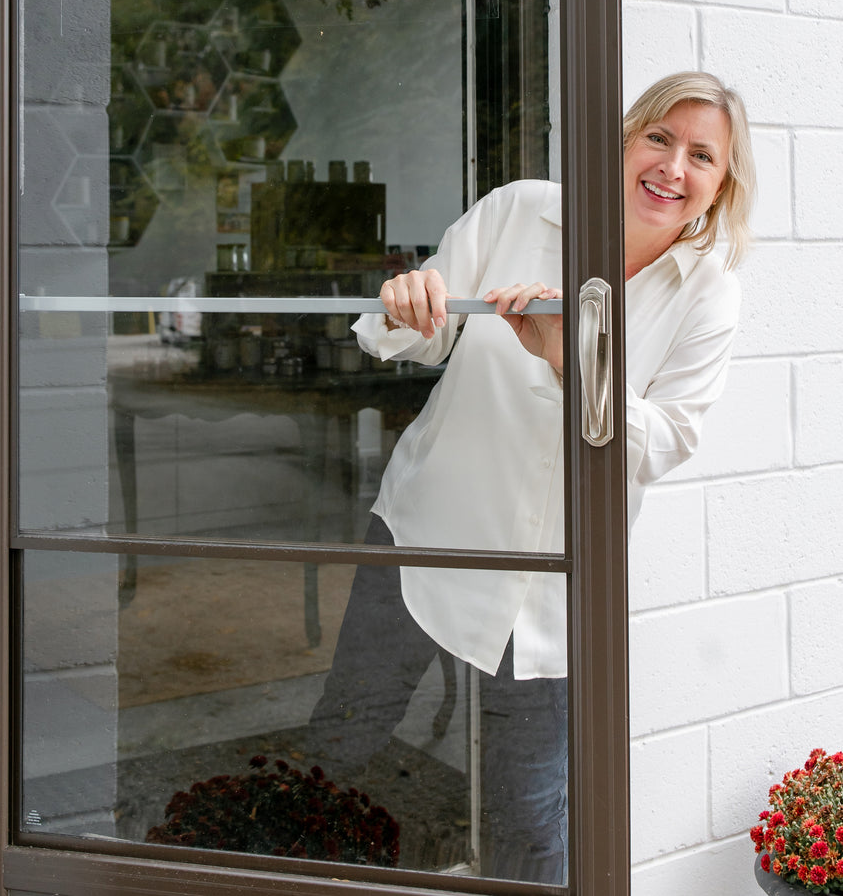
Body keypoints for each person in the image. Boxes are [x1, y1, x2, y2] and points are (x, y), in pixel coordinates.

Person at [308, 72, 756, 882]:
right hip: (423, 544)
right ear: (623, 143)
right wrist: (405, 300)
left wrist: (565, 358)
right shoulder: (518, 210)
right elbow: (402, 335)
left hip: (549, 595)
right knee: (341, 745)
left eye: (701, 155)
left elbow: (664, 442)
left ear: (721, 185)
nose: (672, 167)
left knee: (527, 820)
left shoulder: (708, 295)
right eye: (658, 138)